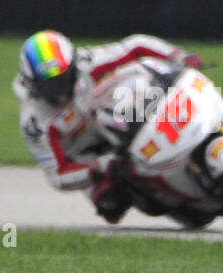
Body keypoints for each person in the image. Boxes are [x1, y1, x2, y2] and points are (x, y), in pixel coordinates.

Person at [13, 30, 205, 223]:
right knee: (111, 205)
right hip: (86, 154)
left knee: (152, 95)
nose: (59, 91)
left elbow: (136, 45)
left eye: (63, 79)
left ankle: (191, 136)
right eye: (48, 85)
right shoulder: (34, 123)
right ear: (30, 83)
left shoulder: (89, 62)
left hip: (114, 116)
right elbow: (58, 176)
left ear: (73, 66)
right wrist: (98, 167)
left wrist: (177, 56)